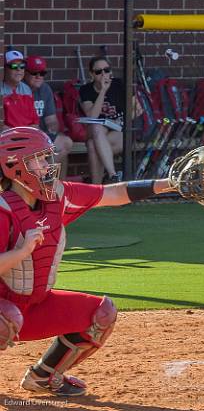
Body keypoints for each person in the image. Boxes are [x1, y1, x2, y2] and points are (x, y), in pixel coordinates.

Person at [0, 126, 180, 397]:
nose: (49, 165)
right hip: (5, 307)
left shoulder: (56, 198)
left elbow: (111, 194)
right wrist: (22, 251)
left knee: (101, 313)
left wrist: (169, 184)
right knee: (6, 318)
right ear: (14, 166)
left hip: (35, 306)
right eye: (39, 159)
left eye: (47, 157)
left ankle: (44, 377)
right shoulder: (3, 209)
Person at [24, 55, 74, 179]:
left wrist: (52, 129)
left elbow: (51, 120)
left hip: (42, 135)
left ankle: (57, 187)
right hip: (26, 136)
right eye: (34, 72)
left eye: (42, 73)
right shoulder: (20, 89)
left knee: (65, 143)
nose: (38, 76)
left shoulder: (45, 89)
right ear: (25, 73)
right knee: (56, 149)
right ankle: (45, 182)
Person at [79, 56, 125, 184]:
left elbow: (136, 110)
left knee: (93, 145)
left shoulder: (119, 84)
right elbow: (92, 117)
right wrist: (103, 91)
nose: (104, 74)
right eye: (98, 72)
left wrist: (120, 121)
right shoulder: (86, 90)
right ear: (92, 74)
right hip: (98, 132)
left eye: (107, 70)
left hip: (119, 131)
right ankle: (112, 174)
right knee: (96, 127)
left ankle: (96, 188)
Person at [1, 50, 39, 130]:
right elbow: (1, 127)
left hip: (27, 135)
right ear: (4, 68)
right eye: (14, 66)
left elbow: (35, 122)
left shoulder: (26, 89)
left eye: (22, 66)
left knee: (65, 141)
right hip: (8, 138)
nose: (19, 69)